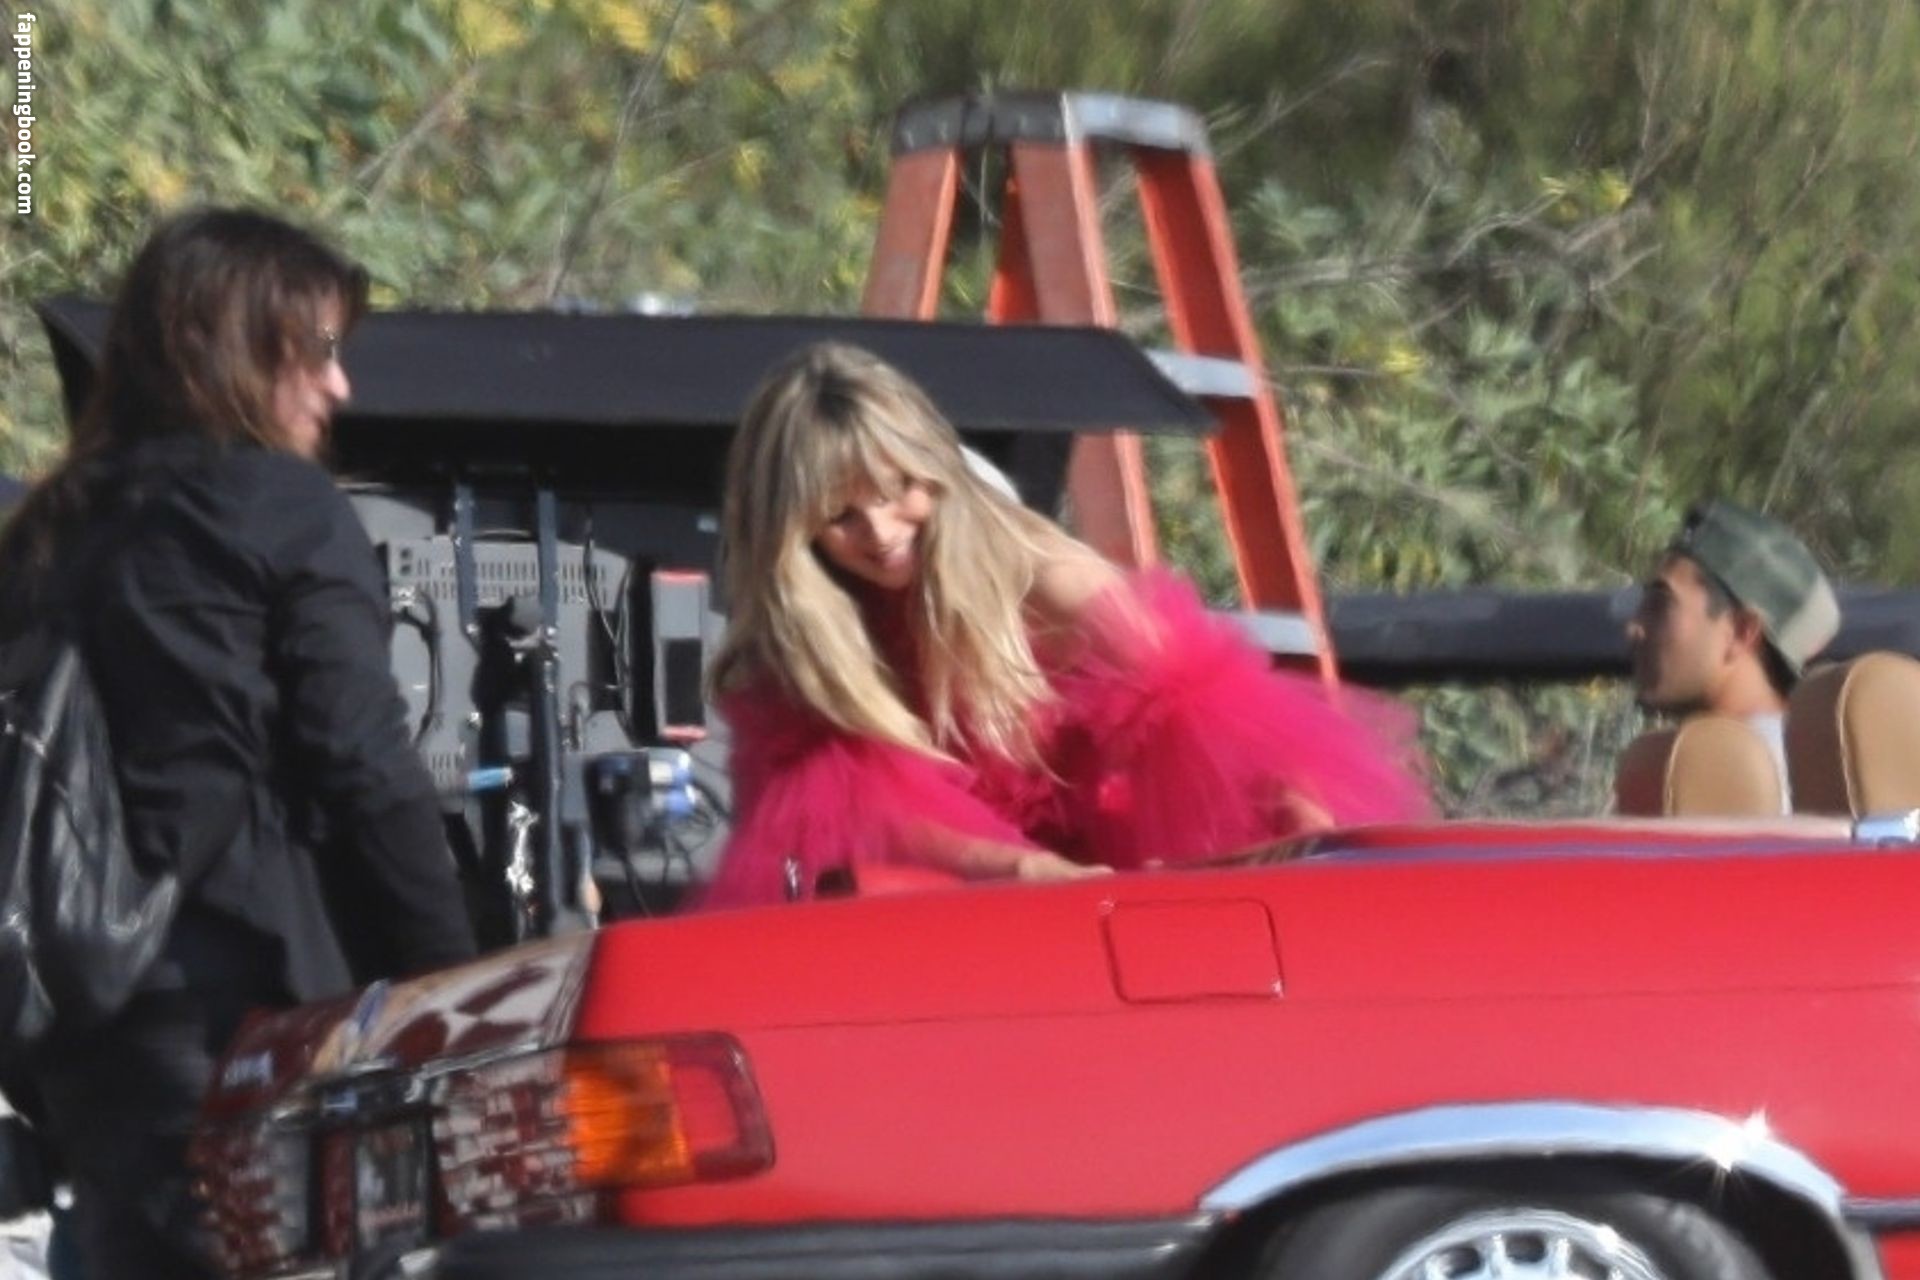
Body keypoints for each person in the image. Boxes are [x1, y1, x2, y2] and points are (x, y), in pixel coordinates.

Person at [0, 208, 477, 1277]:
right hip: (254, 1019)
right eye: (316, 352)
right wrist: (457, 986)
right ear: (233, 350)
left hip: (86, 1036)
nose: (338, 387)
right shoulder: (280, 507)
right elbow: (364, 763)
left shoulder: (46, 529)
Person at [698, 342, 1430, 908]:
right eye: (840, 515)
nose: (880, 531)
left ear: (936, 470)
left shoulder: (1049, 581)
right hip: (957, 904)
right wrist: (1021, 869)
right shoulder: (808, 636)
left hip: (1105, 889)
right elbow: (860, 813)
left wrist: (1309, 833)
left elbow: (1226, 720)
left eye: (898, 491)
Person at [1626, 500, 1840, 788]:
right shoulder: (1813, 771)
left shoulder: (1713, 779)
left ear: (1742, 632)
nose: (1634, 628)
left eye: (1660, 605)